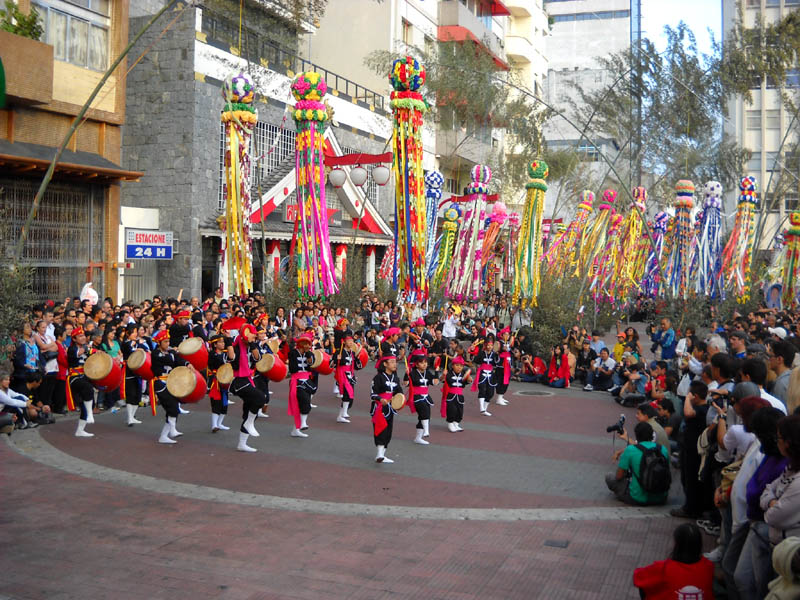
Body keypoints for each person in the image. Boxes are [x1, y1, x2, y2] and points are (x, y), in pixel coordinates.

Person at [633, 523, 715, 600]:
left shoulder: (664, 567)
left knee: (646, 585)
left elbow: (638, 577)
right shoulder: (708, 565)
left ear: (677, 544)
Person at [605, 421, 670, 506]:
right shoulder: (662, 449)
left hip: (638, 498)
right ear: (651, 435)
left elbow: (619, 476)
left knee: (609, 477)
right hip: (661, 498)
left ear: (636, 435)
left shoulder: (631, 449)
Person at [671, 380, 710, 519]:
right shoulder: (703, 408)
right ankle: (693, 506)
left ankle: (691, 508)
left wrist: (687, 398)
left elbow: (687, 413)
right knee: (687, 478)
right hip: (689, 447)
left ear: (696, 396)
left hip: (695, 451)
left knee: (691, 479)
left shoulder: (702, 409)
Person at [227, 324, 268, 451]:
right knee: (261, 398)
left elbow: (258, 358)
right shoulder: (236, 345)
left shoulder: (251, 345)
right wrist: (228, 340)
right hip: (237, 380)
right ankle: (249, 423)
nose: (254, 335)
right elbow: (231, 357)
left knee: (249, 410)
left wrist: (252, 344)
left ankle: (242, 443)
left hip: (248, 379)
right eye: (251, 333)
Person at [150, 329, 191, 445]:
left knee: (174, 409)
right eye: (165, 342)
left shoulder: (170, 352)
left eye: (168, 342)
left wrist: (187, 364)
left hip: (170, 382)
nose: (168, 344)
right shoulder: (156, 354)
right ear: (159, 343)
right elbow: (169, 359)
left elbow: (178, 359)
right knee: (172, 407)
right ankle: (171, 430)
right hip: (160, 383)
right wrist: (173, 352)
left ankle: (164, 435)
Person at [370, 355, 402, 463]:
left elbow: (399, 393)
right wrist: (380, 398)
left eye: (395, 362)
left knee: (388, 431)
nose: (394, 364)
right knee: (381, 429)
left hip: (390, 408)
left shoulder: (396, 378)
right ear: (385, 364)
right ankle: (379, 454)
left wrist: (400, 401)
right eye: (392, 362)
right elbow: (372, 393)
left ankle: (382, 455)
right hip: (379, 407)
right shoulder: (378, 377)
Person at [287, 331, 316, 438]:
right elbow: (293, 368)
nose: (307, 345)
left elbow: (311, 364)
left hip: (306, 380)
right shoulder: (293, 353)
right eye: (305, 343)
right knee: (304, 400)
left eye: (308, 343)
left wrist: (308, 353)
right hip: (296, 380)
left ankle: (296, 429)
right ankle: (301, 424)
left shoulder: (310, 353)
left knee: (306, 402)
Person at [405, 349, 438, 444]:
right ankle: (426, 431)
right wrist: (406, 374)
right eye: (421, 363)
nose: (424, 364)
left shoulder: (427, 373)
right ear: (416, 364)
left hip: (426, 396)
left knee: (424, 416)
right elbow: (406, 383)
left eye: (425, 362)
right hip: (416, 397)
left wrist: (436, 372)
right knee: (424, 411)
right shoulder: (413, 373)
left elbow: (435, 383)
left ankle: (418, 438)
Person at [332, 334, 364, 423]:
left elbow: (357, 366)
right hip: (342, 374)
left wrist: (358, 360)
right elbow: (331, 364)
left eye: (352, 341)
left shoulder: (352, 353)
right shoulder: (339, 352)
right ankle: (344, 412)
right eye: (349, 341)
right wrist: (336, 360)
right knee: (347, 394)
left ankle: (340, 416)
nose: (350, 343)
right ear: (344, 342)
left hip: (350, 375)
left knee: (350, 396)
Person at [206, 334, 230, 432]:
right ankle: (214, 425)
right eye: (220, 342)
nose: (223, 344)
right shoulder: (212, 354)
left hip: (225, 380)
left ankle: (219, 423)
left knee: (224, 403)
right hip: (215, 380)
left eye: (223, 342)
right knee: (216, 402)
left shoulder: (226, 353)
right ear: (215, 344)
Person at [472, 337, 499, 415]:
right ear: (485, 345)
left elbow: (496, 363)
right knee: (482, 389)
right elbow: (475, 360)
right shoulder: (481, 353)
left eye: (491, 345)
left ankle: (485, 409)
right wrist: (473, 350)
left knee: (490, 392)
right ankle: (481, 408)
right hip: (482, 373)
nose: (489, 347)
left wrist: (497, 356)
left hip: (490, 374)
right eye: (488, 345)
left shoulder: (494, 354)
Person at [494, 327, 513, 404]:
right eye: (505, 334)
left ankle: (501, 396)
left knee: (506, 381)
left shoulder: (508, 343)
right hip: (501, 365)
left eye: (508, 334)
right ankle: (499, 397)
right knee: (501, 381)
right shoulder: (499, 343)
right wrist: (502, 349)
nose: (507, 336)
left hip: (507, 365)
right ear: (501, 335)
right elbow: (495, 350)